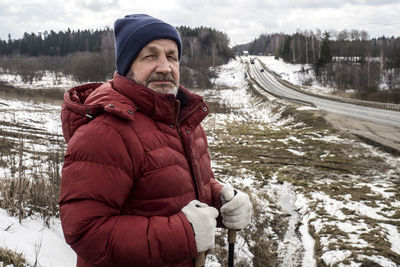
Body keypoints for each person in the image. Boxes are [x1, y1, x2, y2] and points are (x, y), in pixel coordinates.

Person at [59, 14, 252, 267]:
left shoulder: (183, 119)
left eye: (171, 56)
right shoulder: (105, 133)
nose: (165, 67)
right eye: (150, 56)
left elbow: (176, 193)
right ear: (127, 66)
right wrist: (184, 233)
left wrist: (220, 199)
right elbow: (85, 232)